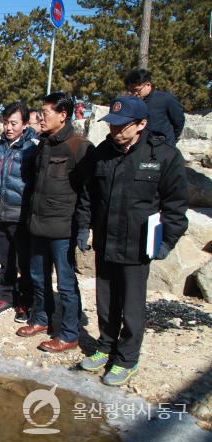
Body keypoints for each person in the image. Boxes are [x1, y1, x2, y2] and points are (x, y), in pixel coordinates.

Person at [75, 96, 188, 386]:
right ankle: (106, 346)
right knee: (105, 300)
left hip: (138, 245)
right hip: (106, 241)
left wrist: (166, 242)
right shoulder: (102, 153)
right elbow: (88, 195)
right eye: (112, 125)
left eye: (122, 126)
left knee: (132, 304)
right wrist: (83, 228)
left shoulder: (163, 156)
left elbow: (176, 205)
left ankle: (127, 359)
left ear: (141, 124)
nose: (115, 131)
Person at [16, 92, 94, 353]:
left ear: (63, 115)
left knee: (66, 284)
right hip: (37, 225)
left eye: (45, 113)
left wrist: (83, 228)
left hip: (63, 229)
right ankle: (41, 318)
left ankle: (70, 334)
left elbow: (87, 194)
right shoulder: (43, 145)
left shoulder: (79, 147)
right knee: (39, 277)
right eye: (40, 112)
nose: (40, 117)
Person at [0, 101, 38, 323]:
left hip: (21, 218)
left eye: (14, 123)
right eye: (6, 123)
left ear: (25, 123)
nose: (9, 127)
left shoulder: (33, 148)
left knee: (24, 263)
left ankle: (25, 303)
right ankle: (7, 298)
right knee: (4, 261)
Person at [124, 68, 185, 147]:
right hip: (142, 148)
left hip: (164, 147)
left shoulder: (166, 99)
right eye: (131, 91)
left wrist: (171, 140)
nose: (134, 94)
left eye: (137, 90)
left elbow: (179, 122)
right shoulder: (133, 103)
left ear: (148, 85)